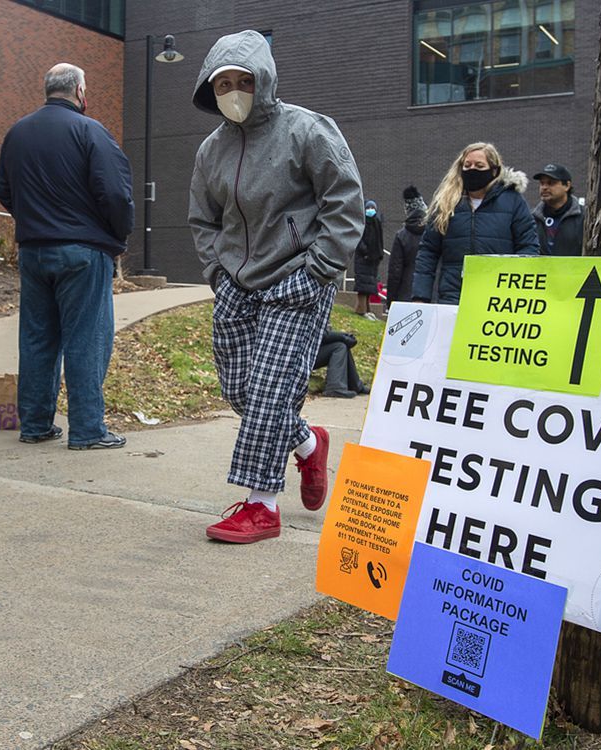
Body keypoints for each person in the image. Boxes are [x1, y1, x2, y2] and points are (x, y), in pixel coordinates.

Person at [188, 30, 364, 544]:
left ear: (263, 80)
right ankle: (309, 444)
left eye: (244, 80)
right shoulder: (210, 149)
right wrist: (217, 275)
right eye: (224, 83)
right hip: (237, 282)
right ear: (210, 88)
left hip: (298, 277)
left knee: (269, 390)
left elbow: (344, 201)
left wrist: (319, 268)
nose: (235, 91)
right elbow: (202, 219)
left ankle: (261, 505)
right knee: (239, 387)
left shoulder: (307, 130)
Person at [0, 63, 133, 450]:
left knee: (38, 338)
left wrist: (34, 220)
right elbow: (116, 194)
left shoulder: (17, 133)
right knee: (86, 338)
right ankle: (88, 430)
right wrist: (116, 235)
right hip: (83, 252)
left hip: (34, 252)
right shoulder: (90, 131)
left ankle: (36, 424)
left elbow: (3, 189)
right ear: (79, 91)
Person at [412, 142, 539, 305]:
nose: (472, 170)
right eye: (467, 165)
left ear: (494, 170)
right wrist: (420, 296)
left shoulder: (513, 201)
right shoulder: (445, 203)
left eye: (479, 166)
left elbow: (528, 248)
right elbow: (428, 252)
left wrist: (517, 291)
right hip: (453, 297)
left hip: (498, 299)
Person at [386, 185, 427, 310]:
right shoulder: (435, 232)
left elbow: (395, 272)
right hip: (430, 294)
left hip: (405, 295)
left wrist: (390, 301)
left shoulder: (401, 236)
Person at [532, 163, 585, 256]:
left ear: (567, 186)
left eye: (550, 183)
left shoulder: (584, 217)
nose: (544, 187)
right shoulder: (532, 218)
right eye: (542, 183)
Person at [313, 327, 370, 399]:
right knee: (339, 347)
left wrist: (344, 337)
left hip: (311, 351)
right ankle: (335, 387)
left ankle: (355, 386)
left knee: (342, 345)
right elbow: (317, 334)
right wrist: (342, 336)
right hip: (299, 356)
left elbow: (324, 334)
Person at [353, 199, 384, 318]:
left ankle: (367, 308)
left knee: (369, 285)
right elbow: (358, 240)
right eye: (368, 208)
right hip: (363, 258)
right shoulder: (362, 223)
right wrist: (366, 251)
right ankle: (361, 309)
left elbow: (379, 241)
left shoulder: (377, 223)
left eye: (372, 208)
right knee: (363, 284)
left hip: (372, 259)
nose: (370, 210)